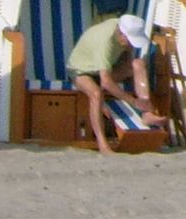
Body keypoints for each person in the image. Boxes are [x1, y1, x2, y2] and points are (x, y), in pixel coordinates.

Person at [67, 12, 167, 154]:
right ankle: (103, 144)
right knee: (96, 93)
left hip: (103, 70)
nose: (131, 45)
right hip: (80, 71)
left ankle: (147, 113)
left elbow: (126, 57)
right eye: (130, 41)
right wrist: (133, 101)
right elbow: (106, 82)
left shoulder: (121, 27)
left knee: (138, 64)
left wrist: (128, 67)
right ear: (121, 35)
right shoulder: (105, 42)